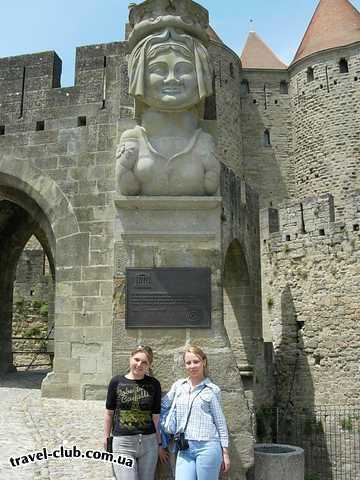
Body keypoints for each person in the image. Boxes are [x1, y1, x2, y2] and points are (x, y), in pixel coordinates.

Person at [115, 27, 220, 197]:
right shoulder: (133, 139)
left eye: (183, 69)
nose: (172, 78)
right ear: (138, 76)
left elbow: (211, 187)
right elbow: (127, 189)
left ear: (202, 76)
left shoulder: (204, 141)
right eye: (158, 69)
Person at [160, 345, 230, 480]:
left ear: (204, 362)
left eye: (196, 362)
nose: (192, 366)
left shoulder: (212, 389)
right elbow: (162, 406)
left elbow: (220, 422)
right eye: (188, 363)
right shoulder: (179, 386)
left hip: (208, 446)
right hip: (184, 446)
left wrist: (225, 453)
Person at [104, 346, 167, 480]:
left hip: (149, 443)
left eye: (144, 362)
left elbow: (156, 418)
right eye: (136, 360)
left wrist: (160, 445)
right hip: (123, 443)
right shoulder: (116, 382)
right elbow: (109, 414)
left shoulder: (154, 384)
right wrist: (106, 437)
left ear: (149, 365)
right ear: (130, 359)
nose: (139, 364)